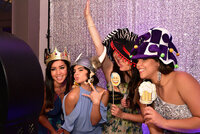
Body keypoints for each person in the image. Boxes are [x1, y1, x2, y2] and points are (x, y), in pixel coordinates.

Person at [84, 0, 145, 133]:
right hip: (111, 130)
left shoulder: (142, 79)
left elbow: (147, 118)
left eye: (122, 58)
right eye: (116, 58)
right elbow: (99, 47)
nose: (119, 61)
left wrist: (127, 110)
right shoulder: (111, 72)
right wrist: (88, 18)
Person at [130, 27, 200, 133]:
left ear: (158, 61)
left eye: (144, 59)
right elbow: (155, 130)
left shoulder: (182, 79)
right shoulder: (146, 89)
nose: (138, 65)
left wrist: (164, 122)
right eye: (137, 60)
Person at [61, 56, 109, 134]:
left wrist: (96, 103)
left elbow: (94, 122)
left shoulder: (103, 93)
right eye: (74, 71)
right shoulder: (72, 96)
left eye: (80, 70)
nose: (76, 74)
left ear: (91, 72)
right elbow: (67, 128)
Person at [38, 47, 71, 134]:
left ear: (67, 69)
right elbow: (40, 116)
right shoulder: (44, 91)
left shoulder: (73, 87)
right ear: (49, 72)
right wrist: (53, 132)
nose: (58, 73)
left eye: (62, 67)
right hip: (47, 129)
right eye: (53, 69)